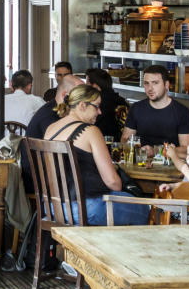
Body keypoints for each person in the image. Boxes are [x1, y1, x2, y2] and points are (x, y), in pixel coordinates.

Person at [42, 85, 149, 226]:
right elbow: (113, 183)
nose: (100, 112)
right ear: (82, 105)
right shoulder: (90, 131)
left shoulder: (51, 128)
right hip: (86, 209)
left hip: (52, 207)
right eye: (96, 106)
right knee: (144, 209)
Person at [22, 75, 84, 188]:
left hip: (47, 175)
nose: (84, 101)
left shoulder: (56, 111)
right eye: (80, 96)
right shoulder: (50, 117)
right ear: (65, 96)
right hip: (38, 180)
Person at [122, 65, 189, 155]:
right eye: (146, 83)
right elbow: (125, 140)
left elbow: (186, 149)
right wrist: (136, 147)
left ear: (166, 85)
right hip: (141, 162)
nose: (150, 88)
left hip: (170, 165)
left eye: (155, 83)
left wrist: (156, 151)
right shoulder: (136, 108)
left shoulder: (182, 112)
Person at [85, 67, 129, 142]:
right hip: (120, 146)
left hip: (102, 144)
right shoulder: (121, 101)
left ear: (95, 86)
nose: (85, 87)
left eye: (87, 83)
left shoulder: (97, 104)